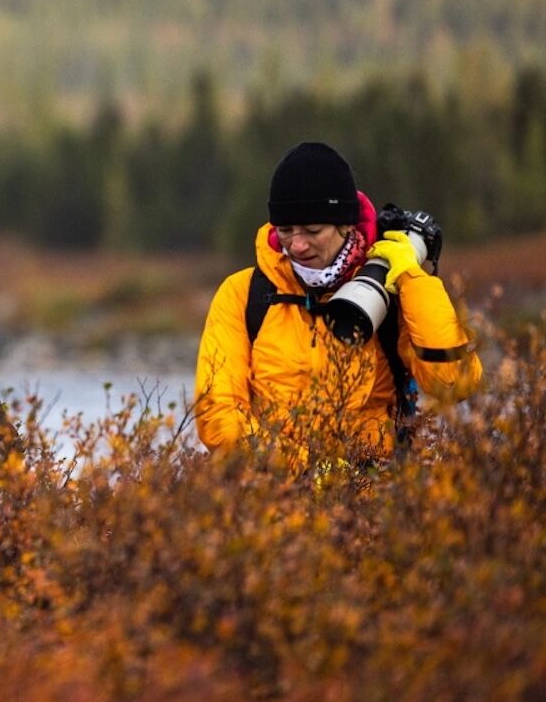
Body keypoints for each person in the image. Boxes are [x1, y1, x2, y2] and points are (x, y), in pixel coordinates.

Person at [195, 141, 482, 465]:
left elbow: (455, 383)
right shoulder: (244, 294)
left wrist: (413, 280)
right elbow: (218, 415)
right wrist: (304, 471)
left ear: (346, 225)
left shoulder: (392, 287)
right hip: (276, 502)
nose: (297, 245)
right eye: (285, 230)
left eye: (313, 230)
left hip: (376, 500)